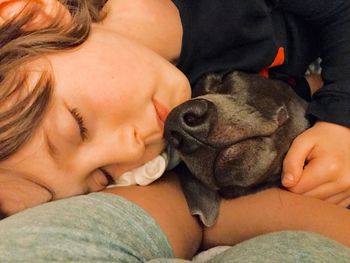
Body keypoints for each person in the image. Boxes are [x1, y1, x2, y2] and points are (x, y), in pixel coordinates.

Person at [0, 0, 349, 261]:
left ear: (32, 17)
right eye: (102, 176)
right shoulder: (165, 98)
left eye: (79, 124)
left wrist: (340, 119)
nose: (131, 151)